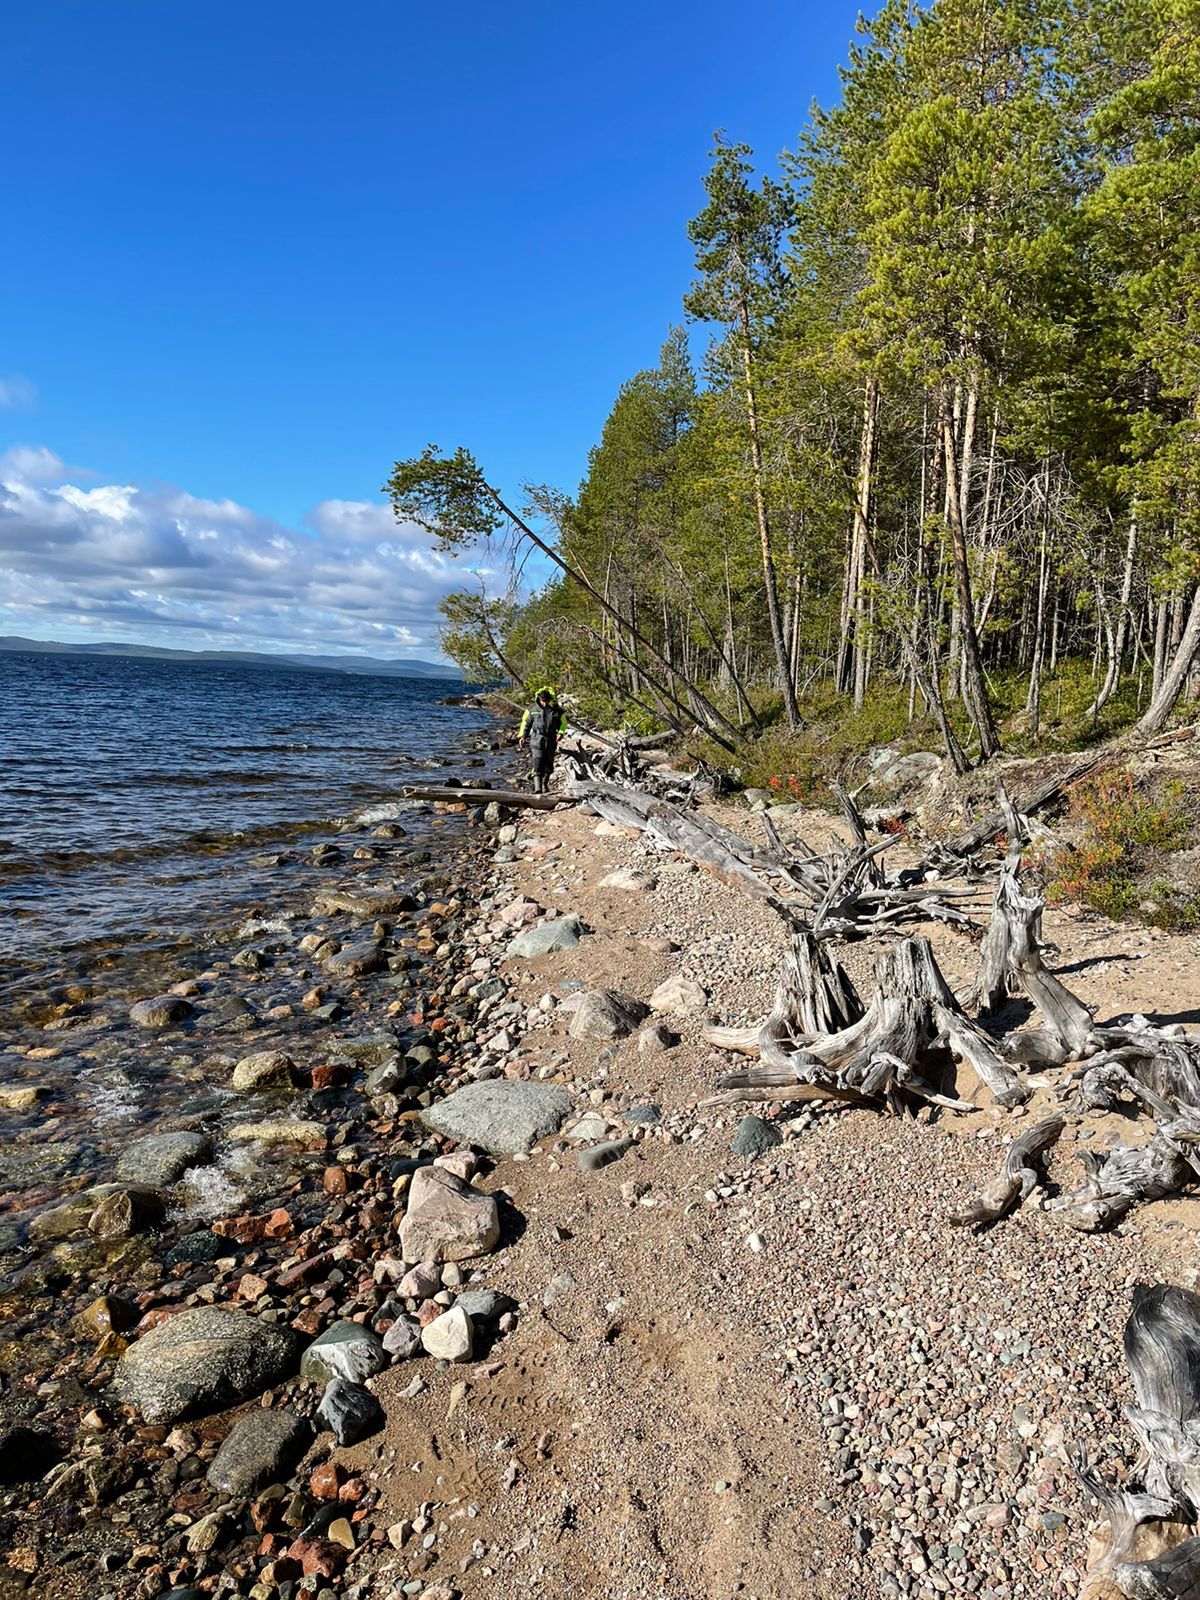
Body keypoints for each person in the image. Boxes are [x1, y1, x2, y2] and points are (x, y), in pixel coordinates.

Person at [518, 686, 566, 793]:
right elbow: (525, 724)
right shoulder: (532, 709)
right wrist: (522, 736)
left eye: (546, 701)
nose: (544, 703)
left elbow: (563, 723)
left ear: (550, 700)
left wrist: (561, 732)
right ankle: (537, 788)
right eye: (542, 700)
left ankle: (545, 785)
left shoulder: (557, 711)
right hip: (536, 740)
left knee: (549, 763)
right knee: (537, 761)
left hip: (551, 740)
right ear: (539, 699)